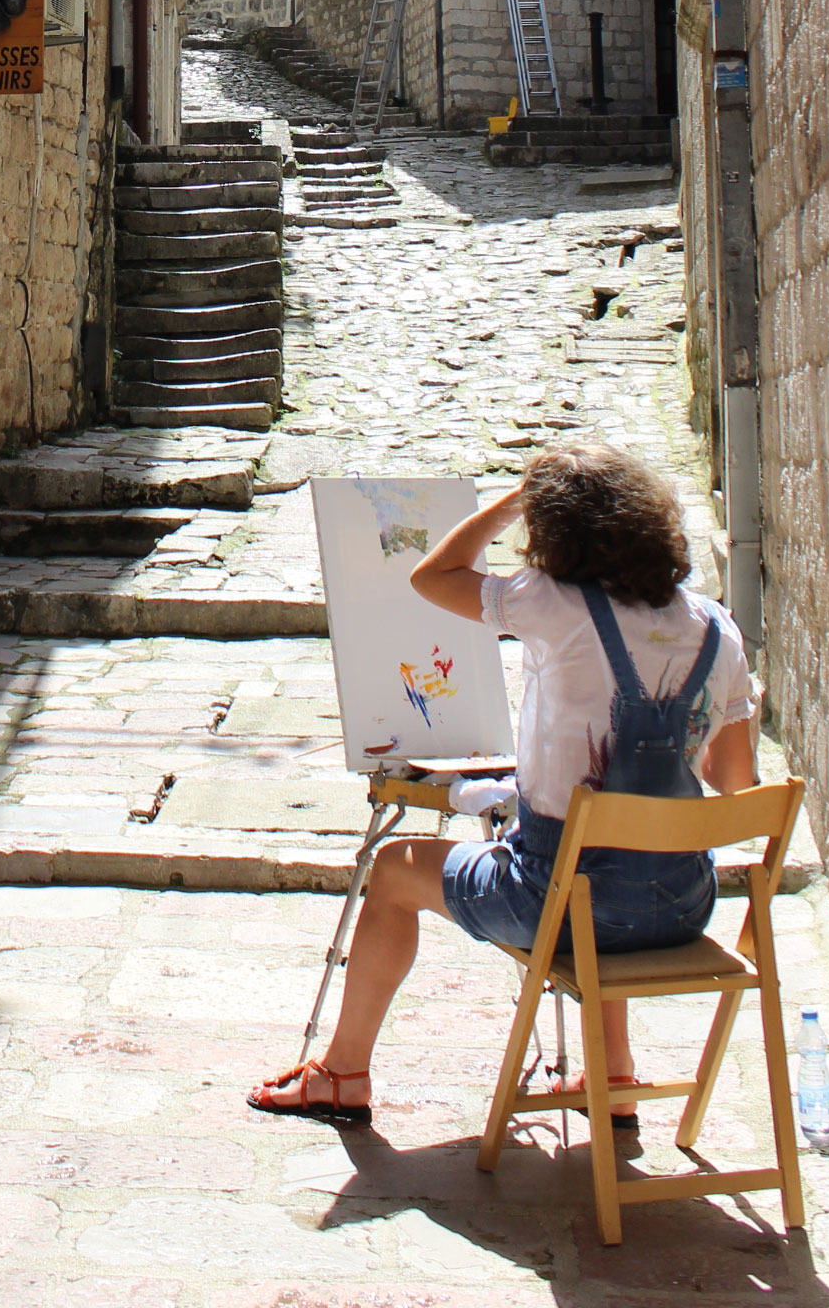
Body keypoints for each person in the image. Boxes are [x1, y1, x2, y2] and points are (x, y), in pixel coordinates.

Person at [250, 442, 758, 1127]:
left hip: (559, 903)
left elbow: (435, 576)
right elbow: (737, 782)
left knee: (398, 869)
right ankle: (612, 1074)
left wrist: (521, 496)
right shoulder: (717, 630)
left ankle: (341, 1074)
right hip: (680, 908)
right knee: (617, 849)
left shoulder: (553, 604)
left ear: (557, 532)